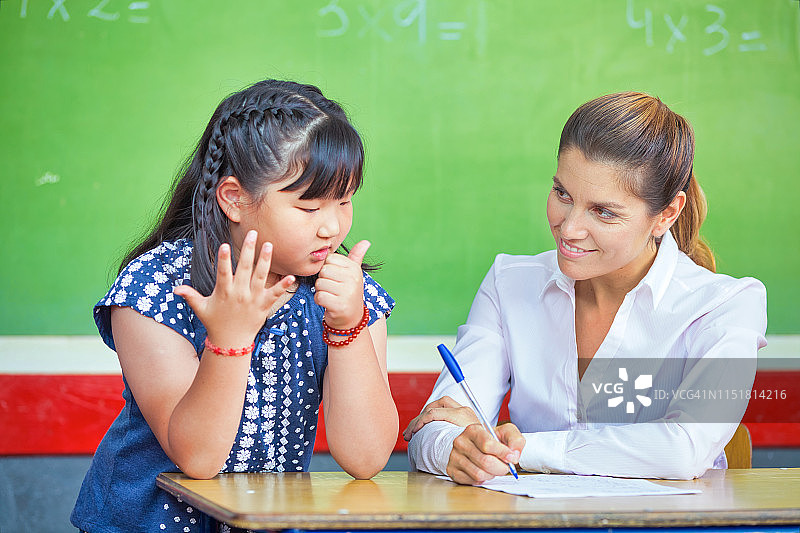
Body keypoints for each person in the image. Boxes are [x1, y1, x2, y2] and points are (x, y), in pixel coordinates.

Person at [71, 79, 398, 532]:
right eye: (308, 208)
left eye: (344, 201)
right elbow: (199, 458)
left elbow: (366, 458)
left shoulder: (345, 292)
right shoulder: (157, 285)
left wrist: (349, 328)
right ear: (234, 198)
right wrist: (229, 338)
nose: (332, 228)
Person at [404, 92, 767, 484]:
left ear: (666, 214)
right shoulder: (510, 283)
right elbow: (435, 423)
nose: (570, 228)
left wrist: (529, 448)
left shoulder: (725, 305)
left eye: (603, 211)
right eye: (563, 194)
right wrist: (456, 450)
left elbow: (682, 450)